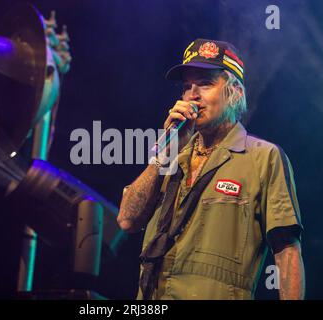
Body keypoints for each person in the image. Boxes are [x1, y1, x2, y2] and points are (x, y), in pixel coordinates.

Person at [117, 39, 305, 300]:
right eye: (186, 87)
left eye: (205, 83)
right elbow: (127, 220)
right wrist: (163, 155)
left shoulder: (264, 158)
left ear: (235, 93)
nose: (192, 95)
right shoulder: (171, 158)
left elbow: (287, 252)